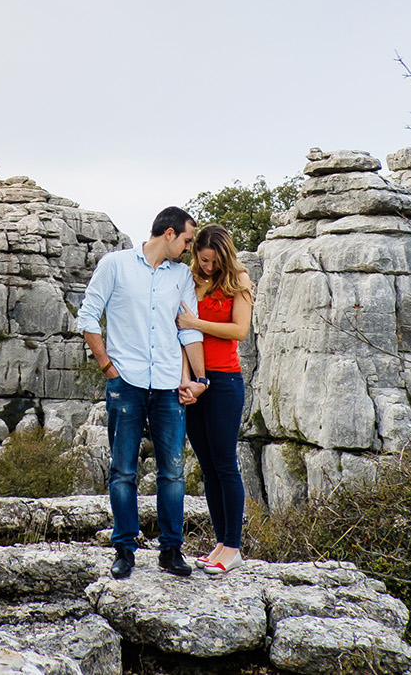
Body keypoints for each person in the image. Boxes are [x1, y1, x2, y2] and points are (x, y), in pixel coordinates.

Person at [75, 206, 208, 579]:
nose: (187, 247)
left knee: (173, 472)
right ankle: (124, 550)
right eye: (185, 239)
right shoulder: (115, 265)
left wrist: (199, 379)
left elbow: (187, 330)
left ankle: (171, 551)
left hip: (168, 384)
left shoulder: (181, 276)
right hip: (126, 382)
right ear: (168, 234)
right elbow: (88, 315)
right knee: (122, 471)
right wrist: (106, 365)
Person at [174, 223, 254, 574]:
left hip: (224, 381)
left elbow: (240, 330)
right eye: (203, 260)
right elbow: (178, 331)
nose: (209, 266)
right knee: (207, 468)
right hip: (193, 380)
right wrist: (186, 380)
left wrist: (197, 322)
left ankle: (233, 547)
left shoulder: (239, 280)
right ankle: (220, 542)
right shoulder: (188, 279)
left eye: (214, 260)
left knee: (224, 464)